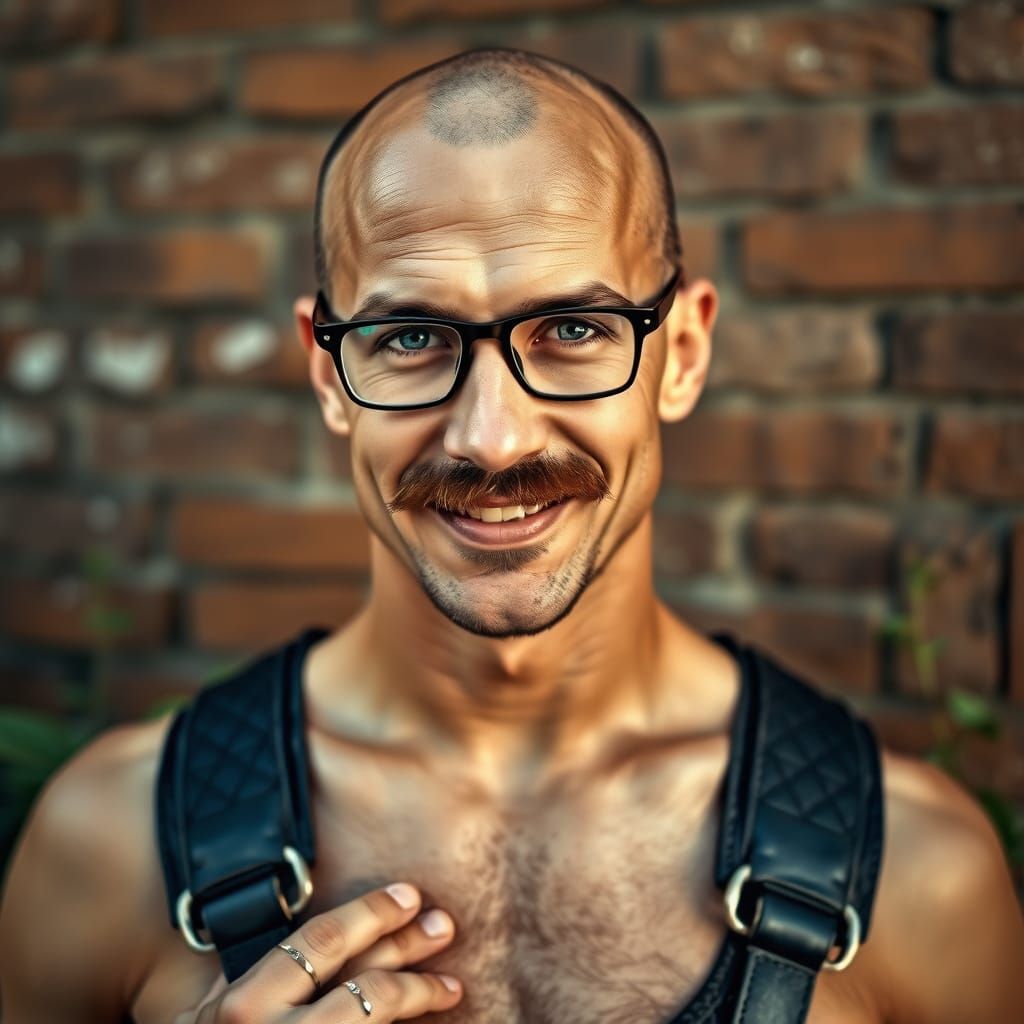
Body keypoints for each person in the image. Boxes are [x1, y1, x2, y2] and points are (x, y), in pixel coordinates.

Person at [1, 48, 1022, 1024]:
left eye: (574, 330)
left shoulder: (922, 874)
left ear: (682, 352)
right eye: (410, 337)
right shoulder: (106, 846)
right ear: (329, 374)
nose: (492, 438)